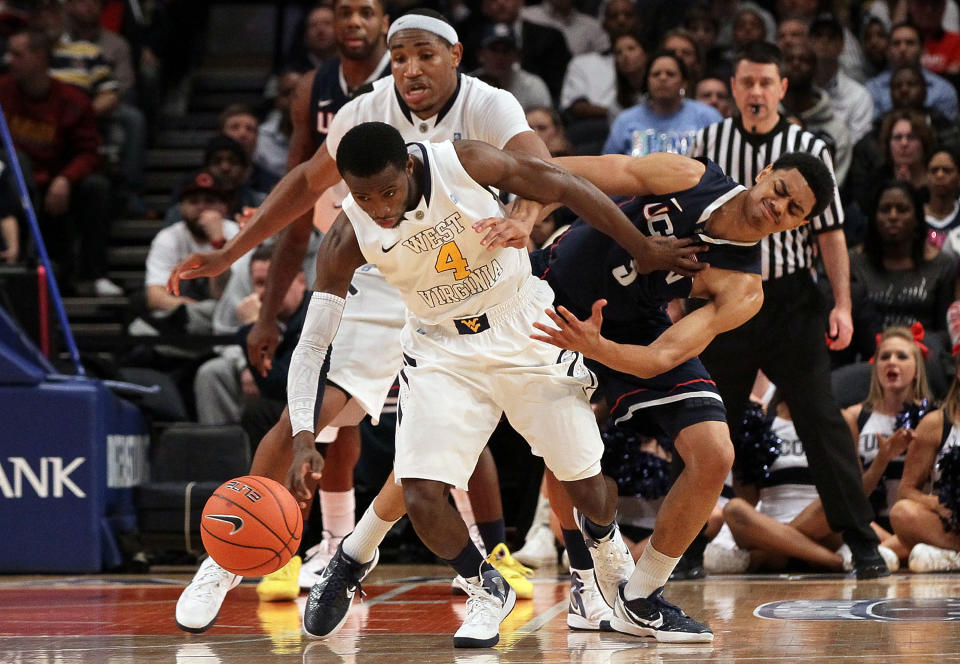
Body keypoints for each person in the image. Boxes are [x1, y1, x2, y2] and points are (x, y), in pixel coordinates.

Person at [168, 10, 704, 636]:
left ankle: (383, 558)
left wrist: (527, 222)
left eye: (422, 54)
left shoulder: (487, 109)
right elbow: (302, 185)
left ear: (453, 54)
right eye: (398, 58)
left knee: (535, 451)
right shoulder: (363, 125)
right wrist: (234, 252)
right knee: (307, 420)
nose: (410, 69)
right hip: (390, 283)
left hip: (489, 282)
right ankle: (231, 554)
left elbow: (544, 170)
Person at [277, 121, 657, 648]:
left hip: (520, 324)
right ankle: (485, 587)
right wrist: (302, 435)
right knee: (421, 492)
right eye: (364, 198)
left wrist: (644, 249)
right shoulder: (347, 237)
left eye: (388, 192)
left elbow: (563, 184)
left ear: (408, 166)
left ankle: (606, 549)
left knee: (586, 483)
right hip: (440, 348)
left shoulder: (461, 162)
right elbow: (312, 346)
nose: (381, 208)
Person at [526, 147, 834, 639]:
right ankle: (585, 580)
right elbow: (584, 171)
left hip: (625, 330)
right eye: (779, 191)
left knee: (714, 452)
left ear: (795, 226)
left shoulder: (744, 286)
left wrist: (597, 346)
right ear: (764, 173)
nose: (778, 207)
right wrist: (529, 203)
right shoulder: (689, 176)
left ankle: (641, 595)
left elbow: (661, 358)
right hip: (543, 290)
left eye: (793, 210)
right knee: (566, 448)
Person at [689, 40, 892, 578]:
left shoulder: (809, 147)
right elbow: (689, 221)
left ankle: (862, 541)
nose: (756, 92)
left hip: (790, 299)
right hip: (725, 295)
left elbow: (831, 233)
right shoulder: (707, 140)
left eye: (766, 83)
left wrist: (842, 304)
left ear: (782, 88)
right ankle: (685, 546)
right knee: (707, 418)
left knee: (820, 418)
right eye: (746, 82)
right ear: (733, 88)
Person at [721, 327, 929, 571]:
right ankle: (834, 562)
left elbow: (855, 493)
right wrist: (742, 457)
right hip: (770, 524)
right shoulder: (760, 420)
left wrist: (882, 459)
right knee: (734, 509)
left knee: (833, 503)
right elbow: (749, 498)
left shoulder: (839, 422)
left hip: (824, 526)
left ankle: (781, 551)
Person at [891, 351, 960, 571]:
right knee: (902, 513)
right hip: (952, 522)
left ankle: (947, 556)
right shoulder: (936, 423)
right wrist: (937, 505)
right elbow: (906, 490)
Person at [603, 50, 721, 157]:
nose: (663, 78)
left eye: (670, 74)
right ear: (647, 82)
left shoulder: (708, 116)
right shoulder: (625, 120)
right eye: (656, 74)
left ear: (684, 83)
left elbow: (724, 159)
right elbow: (607, 167)